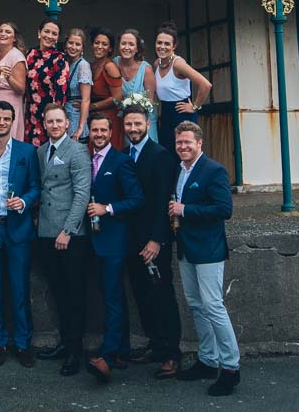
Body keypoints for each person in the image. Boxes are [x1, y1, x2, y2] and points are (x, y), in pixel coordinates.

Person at [169, 121, 241, 396]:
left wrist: (185, 210)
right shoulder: (179, 170)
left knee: (213, 306)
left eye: (188, 142)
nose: (183, 146)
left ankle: (231, 368)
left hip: (209, 249)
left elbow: (224, 209)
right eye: (179, 142)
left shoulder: (214, 170)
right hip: (186, 248)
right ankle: (208, 360)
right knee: (196, 305)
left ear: (199, 143)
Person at [0, 101, 41, 368]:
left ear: (13, 122)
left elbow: (36, 187)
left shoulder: (27, 151)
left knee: (19, 287)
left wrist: (24, 201)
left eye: (6, 118)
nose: (2, 122)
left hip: (17, 226)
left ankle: (23, 343)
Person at [121, 104, 182, 379]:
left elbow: (163, 201)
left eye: (137, 124)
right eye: (128, 124)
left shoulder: (161, 156)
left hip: (154, 241)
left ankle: (172, 354)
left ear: (147, 124)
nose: (133, 128)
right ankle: (156, 345)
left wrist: (157, 239)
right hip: (131, 240)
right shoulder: (124, 154)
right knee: (142, 294)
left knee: (162, 296)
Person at [83, 113, 143, 384]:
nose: (98, 134)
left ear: (110, 133)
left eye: (103, 130)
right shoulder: (87, 160)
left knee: (112, 298)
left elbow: (136, 199)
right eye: (94, 130)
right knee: (112, 295)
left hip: (114, 241)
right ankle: (121, 351)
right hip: (93, 240)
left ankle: (107, 357)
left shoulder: (121, 161)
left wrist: (107, 208)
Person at [35, 103, 91, 377]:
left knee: (74, 294)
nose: (55, 125)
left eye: (59, 121)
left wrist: (68, 231)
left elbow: (82, 194)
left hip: (70, 236)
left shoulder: (78, 151)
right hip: (46, 232)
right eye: (50, 121)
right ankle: (64, 342)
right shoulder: (41, 151)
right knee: (58, 292)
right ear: (44, 124)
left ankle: (75, 352)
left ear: (67, 123)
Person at [154, 22, 212, 155]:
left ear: (174, 46)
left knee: (185, 151)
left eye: (167, 44)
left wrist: (195, 106)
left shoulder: (178, 64)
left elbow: (205, 84)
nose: (162, 47)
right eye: (159, 43)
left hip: (181, 112)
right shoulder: (157, 63)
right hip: (165, 112)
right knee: (167, 153)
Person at [24, 19, 69, 146]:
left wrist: (53, 117)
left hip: (48, 115)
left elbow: (61, 93)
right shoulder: (30, 54)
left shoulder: (59, 58)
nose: (49, 36)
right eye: (46, 31)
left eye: (54, 34)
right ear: (39, 33)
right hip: (30, 113)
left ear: (57, 37)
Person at [115, 28, 158, 143]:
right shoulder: (114, 64)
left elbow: (150, 102)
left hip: (144, 120)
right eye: (123, 43)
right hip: (125, 121)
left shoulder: (146, 70)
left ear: (137, 48)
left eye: (131, 44)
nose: (126, 47)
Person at [0, 21, 27, 142]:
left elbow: (21, 89)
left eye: (7, 32)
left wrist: (9, 77)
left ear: (14, 38)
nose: (3, 34)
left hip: (10, 102)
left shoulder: (17, 56)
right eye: (0, 31)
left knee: (7, 138)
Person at [90, 28, 125, 150]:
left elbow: (117, 98)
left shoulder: (110, 67)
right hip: (94, 119)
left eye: (104, 44)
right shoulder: (91, 66)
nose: (99, 46)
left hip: (109, 119)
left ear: (110, 49)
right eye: (97, 43)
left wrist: (92, 106)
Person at [63, 28, 92, 142]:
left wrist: (80, 128)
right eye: (71, 43)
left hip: (76, 117)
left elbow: (86, 99)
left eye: (77, 44)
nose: (73, 47)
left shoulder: (83, 66)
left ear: (82, 48)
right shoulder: (65, 63)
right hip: (65, 115)